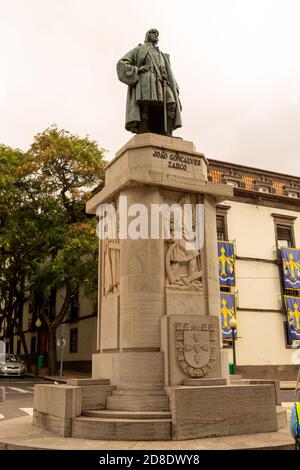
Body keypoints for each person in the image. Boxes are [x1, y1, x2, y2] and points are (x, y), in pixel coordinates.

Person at [117, 28, 182, 136]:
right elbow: (122, 63)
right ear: (148, 35)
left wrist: (174, 85)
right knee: (145, 105)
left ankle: (167, 134)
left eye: (158, 34)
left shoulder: (161, 54)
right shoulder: (140, 49)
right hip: (147, 80)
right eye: (154, 33)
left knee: (171, 103)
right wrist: (137, 70)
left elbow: (168, 71)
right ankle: (144, 131)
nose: (157, 36)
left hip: (163, 83)